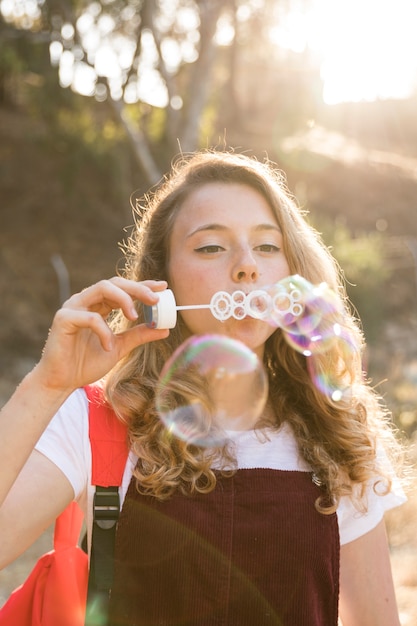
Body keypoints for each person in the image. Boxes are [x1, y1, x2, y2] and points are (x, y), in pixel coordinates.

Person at [0, 150, 407, 625]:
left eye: (268, 247)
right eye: (212, 247)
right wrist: (47, 386)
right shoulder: (99, 419)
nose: (246, 267)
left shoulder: (339, 439)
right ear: (162, 280)